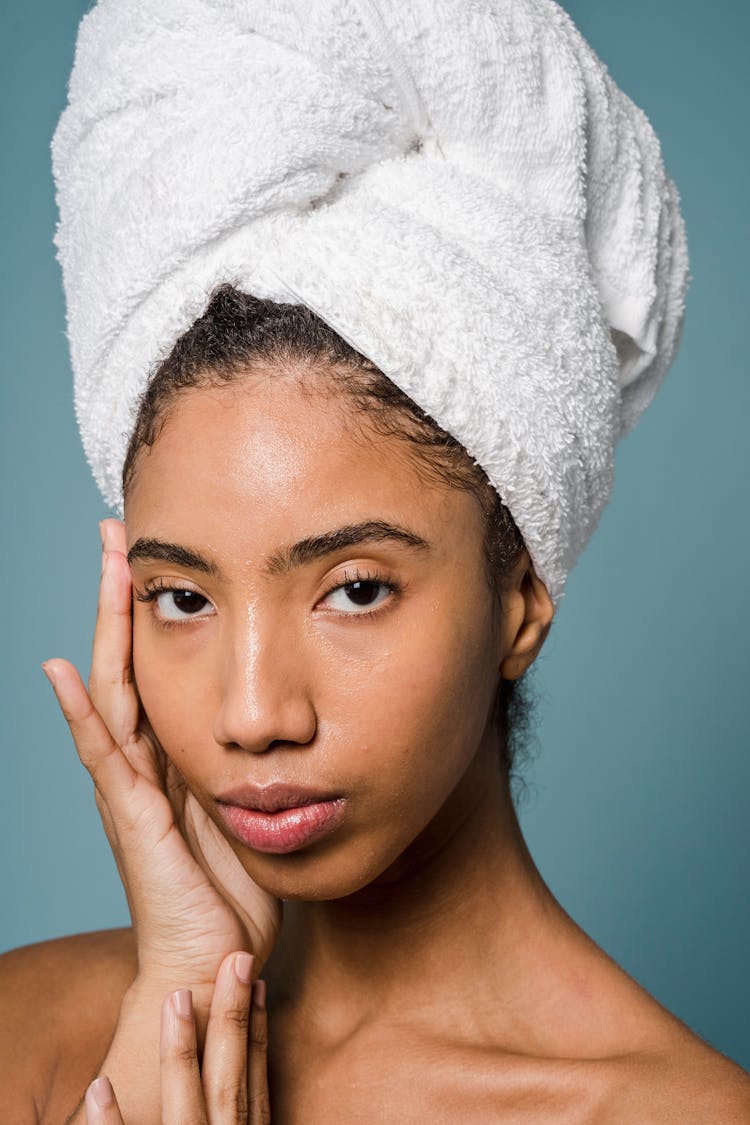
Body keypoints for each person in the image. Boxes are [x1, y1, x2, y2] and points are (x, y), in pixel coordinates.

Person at [2, 1, 749, 1122]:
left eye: (354, 590)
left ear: (521, 599)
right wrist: (176, 1001)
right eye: (183, 596)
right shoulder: (33, 1040)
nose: (253, 714)